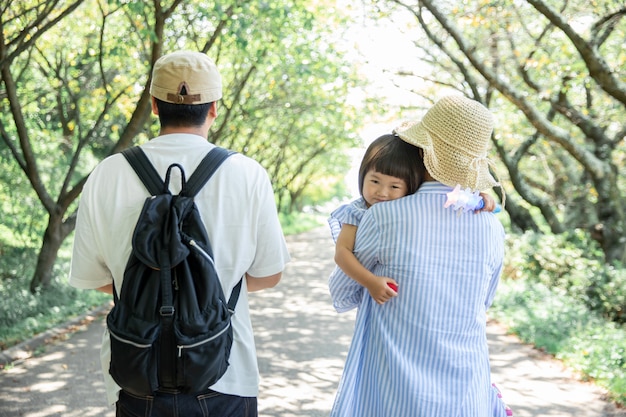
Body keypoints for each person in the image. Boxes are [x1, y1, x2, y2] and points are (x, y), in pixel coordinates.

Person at [69, 51, 290, 417]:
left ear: (154, 105)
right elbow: (269, 275)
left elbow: (96, 279)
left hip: (138, 372)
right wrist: (204, 290)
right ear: (214, 107)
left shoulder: (107, 173)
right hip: (225, 375)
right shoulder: (248, 174)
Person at [328, 95, 512, 417]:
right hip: (466, 395)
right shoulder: (492, 227)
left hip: (394, 392)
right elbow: (483, 303)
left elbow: (342, 293)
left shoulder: (383, 217)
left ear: (423, 152)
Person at [329, 134, 496, 306]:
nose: (382, 192)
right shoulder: (357, 211)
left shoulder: (406, 204)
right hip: (362, 282)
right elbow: (342, 253)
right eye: (374, 181)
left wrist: (479, 197)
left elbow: (445, 196)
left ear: (409, 186)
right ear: (362, 176)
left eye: (394, 186)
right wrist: (370, 281)